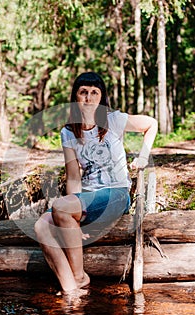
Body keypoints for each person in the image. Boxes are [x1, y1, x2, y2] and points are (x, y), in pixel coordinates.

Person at [34, 72, 158, 295]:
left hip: (116, 194)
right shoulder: (68, 132)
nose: (88, 98)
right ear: (75, 97)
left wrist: (142, 156)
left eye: (94, 92)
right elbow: (73, 177)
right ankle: (72, 290)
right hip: (88, 200)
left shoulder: (113, 120)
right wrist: (74, 215)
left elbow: (151, 124)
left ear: (101, 98)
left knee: (60, 207)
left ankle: (80, 277)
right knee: (41, 225)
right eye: (83, 92)